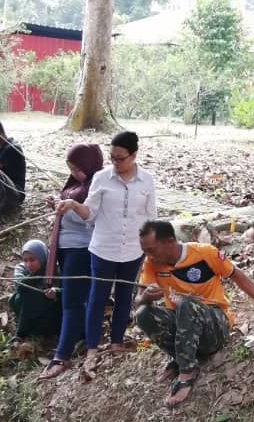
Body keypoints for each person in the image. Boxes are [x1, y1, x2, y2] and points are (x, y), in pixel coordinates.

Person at [134, 219, 254, 407]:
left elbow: (237, 275)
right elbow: (138, 300)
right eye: (145, 251)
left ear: (169, 242)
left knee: (186, 305)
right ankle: (178, 357)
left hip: (214, 326)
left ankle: (187, 371)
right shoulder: (151, 263)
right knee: (143, 314)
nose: (148, 255)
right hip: (183, 326)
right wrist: (146, 297)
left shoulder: (206, 253)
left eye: (151, 250)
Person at [57, 131, 156, 372]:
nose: (116, 163)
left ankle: (116, 342)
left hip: (132, 249)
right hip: (103, 248)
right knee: (97, 297)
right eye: (112, 158)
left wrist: (151, 247)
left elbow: (151, 216)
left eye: (121, 158)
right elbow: (90, 214)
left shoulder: (147, 180)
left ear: (134, 156)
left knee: (124, 295)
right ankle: (92, 348)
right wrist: (73, 205)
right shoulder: (102, 178)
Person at [39, 143, 104, 380]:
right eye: (71, 169)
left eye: (78, 169)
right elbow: (69, 206)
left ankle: (62, 355)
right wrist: (58, 203)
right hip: (66, 247)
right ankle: (83, 339)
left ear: (89, 165)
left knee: (71, 302)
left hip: (81, 248)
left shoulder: (96, 186)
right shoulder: (75, 185)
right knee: (74, 299)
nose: (74, 173)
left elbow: (92, 219)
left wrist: (67, 209)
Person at [9, 239, 61, 341]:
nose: (28, 264)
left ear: (42, 257)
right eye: (25, 260)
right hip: (27, 314)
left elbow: (68, 291)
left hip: (49, 319)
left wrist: (56, 292)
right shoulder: (21, 268)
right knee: (23, 296)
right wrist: (39, 273)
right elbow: (20, 286)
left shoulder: (55, 270)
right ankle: (24, 333)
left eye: (32, 260)